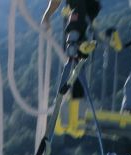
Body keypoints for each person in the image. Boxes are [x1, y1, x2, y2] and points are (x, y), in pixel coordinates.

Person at [42, 0, 102, 135]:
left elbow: (56, 2)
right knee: (76, 64)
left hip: (81, 13)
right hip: (83, 13)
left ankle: (76, 43)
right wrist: (47, 16)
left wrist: (47, 16)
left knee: (74, 56)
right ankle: (76, 104)